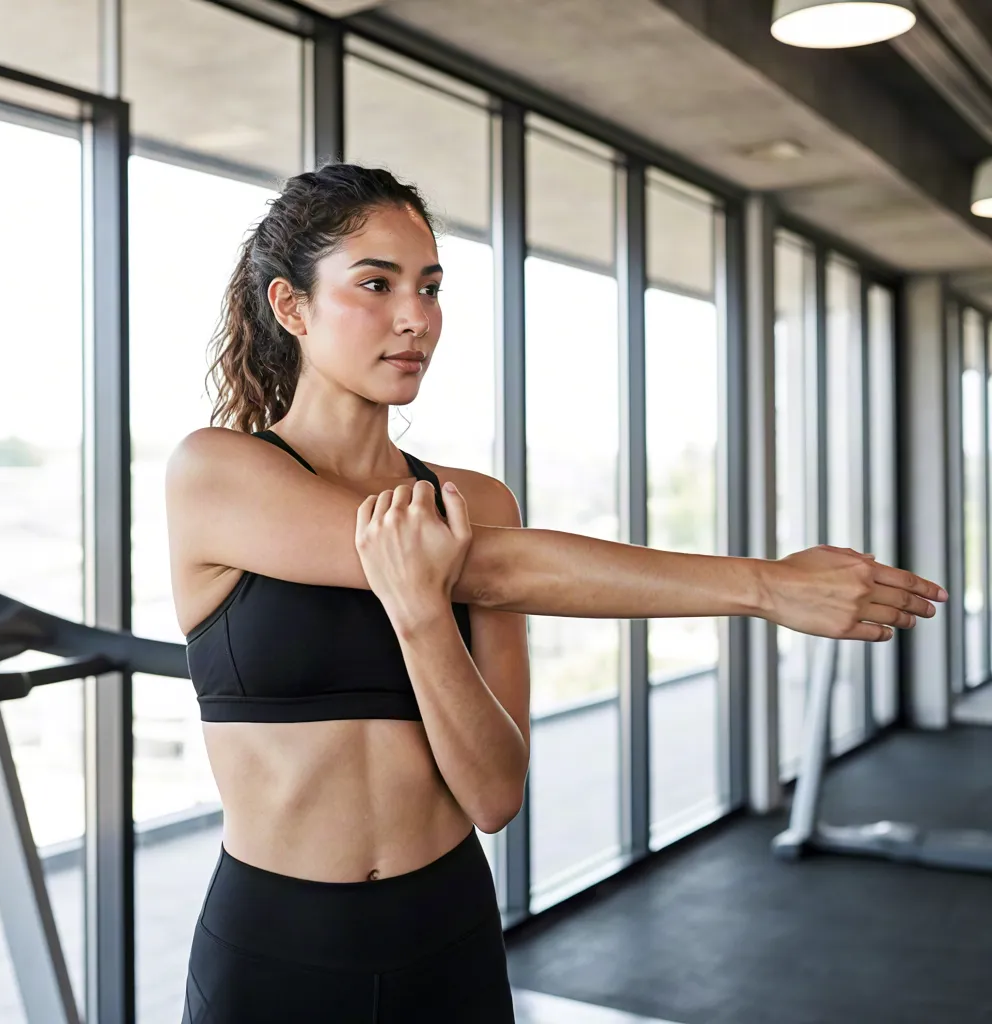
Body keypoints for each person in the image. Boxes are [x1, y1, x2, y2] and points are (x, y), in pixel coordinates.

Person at [165, 163, 946, 1023]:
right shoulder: (219, 473)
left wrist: (425, 621)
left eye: (429, 287)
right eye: (375, 284)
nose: (414, 317)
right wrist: (765, 586)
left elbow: (496, 798)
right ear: (291, 306)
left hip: (447, 933)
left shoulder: (482, 504)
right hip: (277, 949)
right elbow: (497, 569)